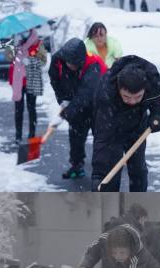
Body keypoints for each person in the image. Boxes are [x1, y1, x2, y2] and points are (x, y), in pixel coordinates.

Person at [91, 55, 160, 192]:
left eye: (138, 97)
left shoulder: (152, 80)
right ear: (119, 89)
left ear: (145, 89)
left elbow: (158, 96)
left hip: (137, 125)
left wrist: (156, 114)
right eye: (127, 97)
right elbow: (102, 136)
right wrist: (99, 174)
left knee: (138, 170)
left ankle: (137, 205)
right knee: (110, 170)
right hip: (112, 128)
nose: (132, 101)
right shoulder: (106, 92)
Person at [48, 38, 107, 179]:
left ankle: (104, 170)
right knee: (75, 135)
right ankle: (77, 166)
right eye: (69, 63)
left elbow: (86, 93)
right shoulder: (58, 59)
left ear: (81, 61)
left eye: (74, 65)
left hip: (98, 102)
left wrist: (70, 110)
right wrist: (63, 101)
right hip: (76, 101)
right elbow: (55, 80)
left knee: (101, 137)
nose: (70, 67)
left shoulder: (94, 64)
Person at [8, 30, 46, 144]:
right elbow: (8, 57)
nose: (24, 32)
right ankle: (18, 135)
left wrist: (30, 61)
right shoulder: (16, 42)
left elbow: (43, 61)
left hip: (32, 80)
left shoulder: (38, 43)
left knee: (31, 109)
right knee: (18, 110)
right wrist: (12, 45)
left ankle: (32, 134)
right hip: (18, 81)